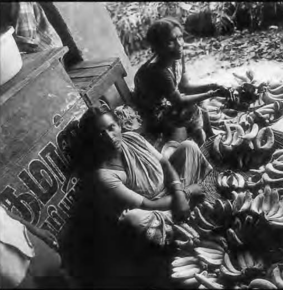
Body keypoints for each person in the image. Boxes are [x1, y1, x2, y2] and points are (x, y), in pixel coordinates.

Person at [78, 104, 213, 247]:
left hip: (171, 186)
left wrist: (178, 192)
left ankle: (184, 208)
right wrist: (187, 192)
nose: (109, 137)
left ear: (118, 125)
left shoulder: (132, 138)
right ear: (93, 141)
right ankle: (183, 214)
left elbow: (165, 164)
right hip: (155, 208)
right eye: (100, 134)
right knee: (133, 219)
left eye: (111, 128)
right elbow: (148, 204)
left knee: (189, 146)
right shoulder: (104, 175)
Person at [133, 17, 228, 146]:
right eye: (171, 41)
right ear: (158, 46)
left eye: (180, 37)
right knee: (192, 107)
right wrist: (211, 93)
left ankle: (208, 133)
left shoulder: (177, 56)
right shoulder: (158, 71)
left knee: (200, 100)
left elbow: (185, 86)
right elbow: (179, 101)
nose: (179, 44)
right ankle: (200, 138)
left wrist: (211, 86)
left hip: (168, 103)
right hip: (154, 115)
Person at [0, 204, 77, 289]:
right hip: (11, 273)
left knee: (59, 272)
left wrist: (36, 230)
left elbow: (6, 213)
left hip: (27, 239)